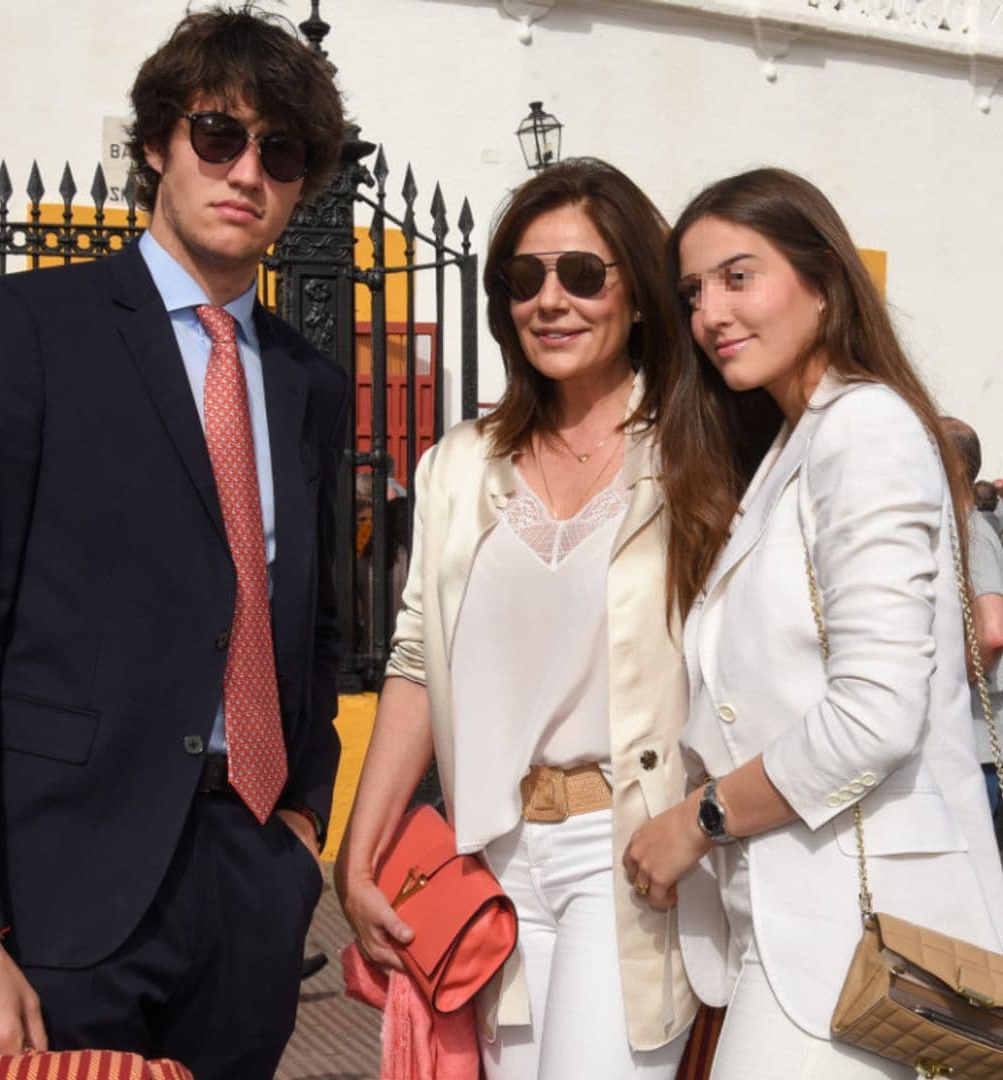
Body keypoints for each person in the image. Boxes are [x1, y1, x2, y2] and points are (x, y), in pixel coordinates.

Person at [0, 7, 347, 1077]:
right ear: (157, 142)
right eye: (218, 134)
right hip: (56, 890)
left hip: (248, 881)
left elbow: (318, 623)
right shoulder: (20, 331)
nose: (247, 169)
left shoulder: (306, 380)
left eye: (281, 151)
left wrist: (299, 831)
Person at [621, 166, 1003, 1079]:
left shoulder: (864, 430)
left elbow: (875, 711)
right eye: (692, 292)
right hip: (798, 921)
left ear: (826, 286)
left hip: (869, 935)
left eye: (738, 276)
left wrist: (698, 820)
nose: (710, 313)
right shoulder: (790, 448)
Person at [335, 158, 697, 1080]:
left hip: (624, 850)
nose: (551, 300)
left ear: (641, 297)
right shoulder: (462, 463)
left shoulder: (694, 458)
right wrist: (360, 856)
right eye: (523, 278)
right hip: (489, 855)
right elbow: (417, 655)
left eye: (583, 274)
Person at [941, 418, 1003, 818]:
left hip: (985, 750)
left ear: (956, 466)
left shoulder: (972, 532)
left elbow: (992, 633)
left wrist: (940, 686)